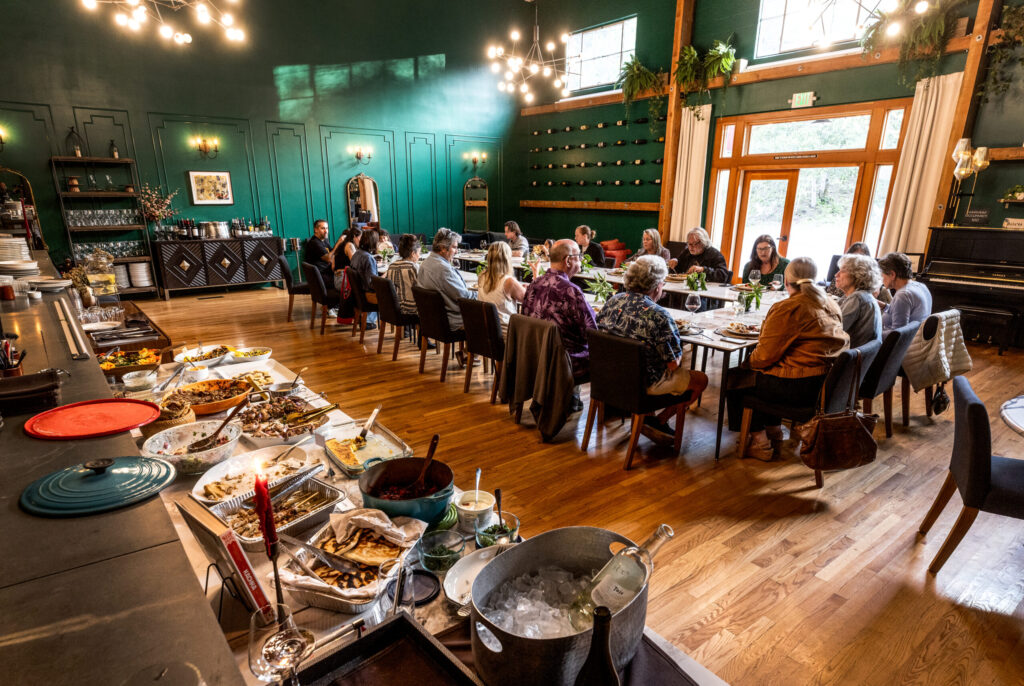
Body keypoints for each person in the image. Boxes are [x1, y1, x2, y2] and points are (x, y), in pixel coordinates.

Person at [727, 257, 849, 461]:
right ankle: (774, 429)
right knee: (764, 373)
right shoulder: (830, 302)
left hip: (797, 387)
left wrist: (747, 364)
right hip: (824, 383)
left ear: (786, 280)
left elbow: (763, 357)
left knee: (736, 379)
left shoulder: (789, 307)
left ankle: (759, 441)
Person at [597, 256, 709, 440]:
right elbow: (673, 364)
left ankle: (649, 420)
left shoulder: (613, 301)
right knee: (700, 379)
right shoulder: (659, 314)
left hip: (608, 377)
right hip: (643, 385)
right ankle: (659, 421)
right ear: (657, 285)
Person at [522, 239, 597, 382]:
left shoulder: (534, 284)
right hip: (563, 361)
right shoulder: (571, 291)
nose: (581, 261)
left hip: (535, 355)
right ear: (568, 260)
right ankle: (573, 400)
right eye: (579, 257)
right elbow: (592, 333)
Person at [416, 227, 474, 331]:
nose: (456, 251)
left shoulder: (425, 263)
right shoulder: (443, 269)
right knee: (492, 320)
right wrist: (483, 294)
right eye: (454, 247)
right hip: (452, 321)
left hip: (431, 319)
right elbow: (464, 297)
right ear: (443, 248)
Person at [478, 241, 527, 334]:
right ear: (507, 259)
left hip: (485, 332)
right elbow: (529, 300)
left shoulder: (482, 276)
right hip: (506, 334)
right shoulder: (508, 281)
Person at [835, 254, 883, 347]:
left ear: (858, 275)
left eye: (843, 271)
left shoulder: (857, 298)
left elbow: (834, 331)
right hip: (858, 355)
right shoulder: (860, 295)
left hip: (850, 356)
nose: (836, 274)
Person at [878, 252, 932, 330]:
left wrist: (875, 334)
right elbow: (904, 312)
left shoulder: (903, 295)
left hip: (899, 340)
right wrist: (884, 306)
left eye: (881, 274)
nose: (880, 278)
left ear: (892, 274)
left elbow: (896, 335)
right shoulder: (921, 286)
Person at [348, 230, 380, 329]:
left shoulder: (357, 254)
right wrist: (386, 276)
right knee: (393, 292)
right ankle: (369, 320)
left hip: (358, 293)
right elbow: (371, 284)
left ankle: (367, 319)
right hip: (367, 295)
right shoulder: (368, 258)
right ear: (373, 242)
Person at [385, 234, 421, 317]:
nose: (419, 256)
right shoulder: (414, 267)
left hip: (395, 307)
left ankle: (407, 330)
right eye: (419, 253)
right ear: (413, 253)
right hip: (412, 308)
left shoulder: (391, 266)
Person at [304, 219, 334, 285]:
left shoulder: (325, 240)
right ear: (316, 230)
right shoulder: (314, 243)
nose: (326, 231)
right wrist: (339, 242)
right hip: (319, 277)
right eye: (323, 228)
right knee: (344, 280)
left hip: (326, 272)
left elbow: (332, 253)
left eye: (327, 228)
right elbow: (328, 258)